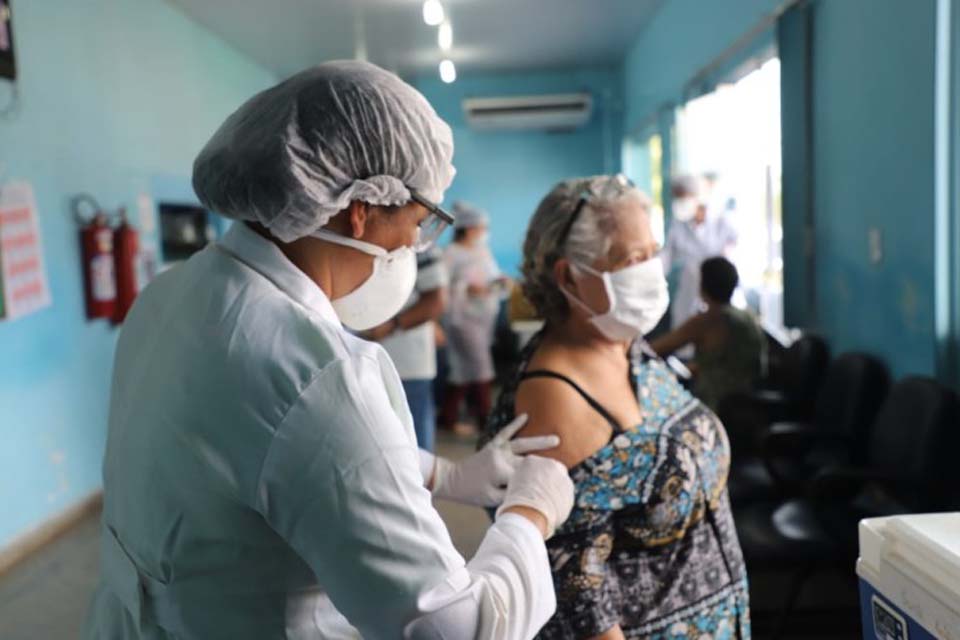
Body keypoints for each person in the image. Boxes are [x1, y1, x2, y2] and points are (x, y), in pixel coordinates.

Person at [83, 61, 575, 640]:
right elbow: (452, 628)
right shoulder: (318, 374)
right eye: (417, 223)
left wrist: (444, 475)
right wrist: (527, 515)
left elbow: (266, 452)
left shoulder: (173, 293)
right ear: (360, 210)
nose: (414, 247)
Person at [481, 175, 750, 639]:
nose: (653, 269)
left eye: (653, 251)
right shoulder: (556, 396)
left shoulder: (625, 344)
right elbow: (577, 592)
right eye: (633, 259)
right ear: (568, 276)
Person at [650, 256, 765, 411]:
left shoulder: (708, 320)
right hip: (750, 408)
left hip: (714, 407)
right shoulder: (747, 317)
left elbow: (655, 348)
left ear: (703, 285)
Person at [367, 248, 448, 452]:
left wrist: (390, 326)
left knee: (414, 452)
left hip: (407, 366)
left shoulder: (421, 249)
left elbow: (436, 300)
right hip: (365, 360)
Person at [440, 201, 507, 434]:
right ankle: (486, 420)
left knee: (462, 370)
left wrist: (499, 282)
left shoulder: (482, 252)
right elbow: (443, 287)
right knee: (481, 367)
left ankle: (447, 418)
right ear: (468, 229)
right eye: (481, 228)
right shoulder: (450, 254)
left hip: (483, 317)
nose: (484, 233)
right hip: (462, 319)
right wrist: (466, 289)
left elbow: (491, 277)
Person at [662, 174, 738, 331]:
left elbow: (733, 250)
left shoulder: (721, 221)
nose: (679, 203)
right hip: (690, 292)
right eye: (676, 198)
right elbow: (666, 257)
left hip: (720, 290)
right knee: (685, 336)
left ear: (697, 197)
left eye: (682, 197)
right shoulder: (678, 226)